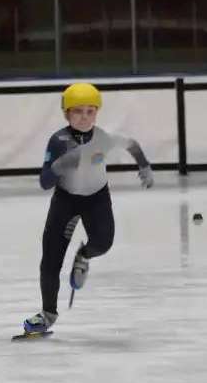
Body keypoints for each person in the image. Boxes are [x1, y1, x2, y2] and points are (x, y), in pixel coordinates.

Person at [22, 82, 154, 335]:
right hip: (65, 201)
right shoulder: (58, 141)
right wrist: (62, 164)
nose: (84, 117)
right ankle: (48, 313)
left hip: (97, 198)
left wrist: (144, 167)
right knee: (50, 259)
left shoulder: (104, 138)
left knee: (104, 242)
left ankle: (84, 256)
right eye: (78, 111)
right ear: (66, 113)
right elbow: (44, 182)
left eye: (90, 111)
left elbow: (132, 145)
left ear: (97, 113)